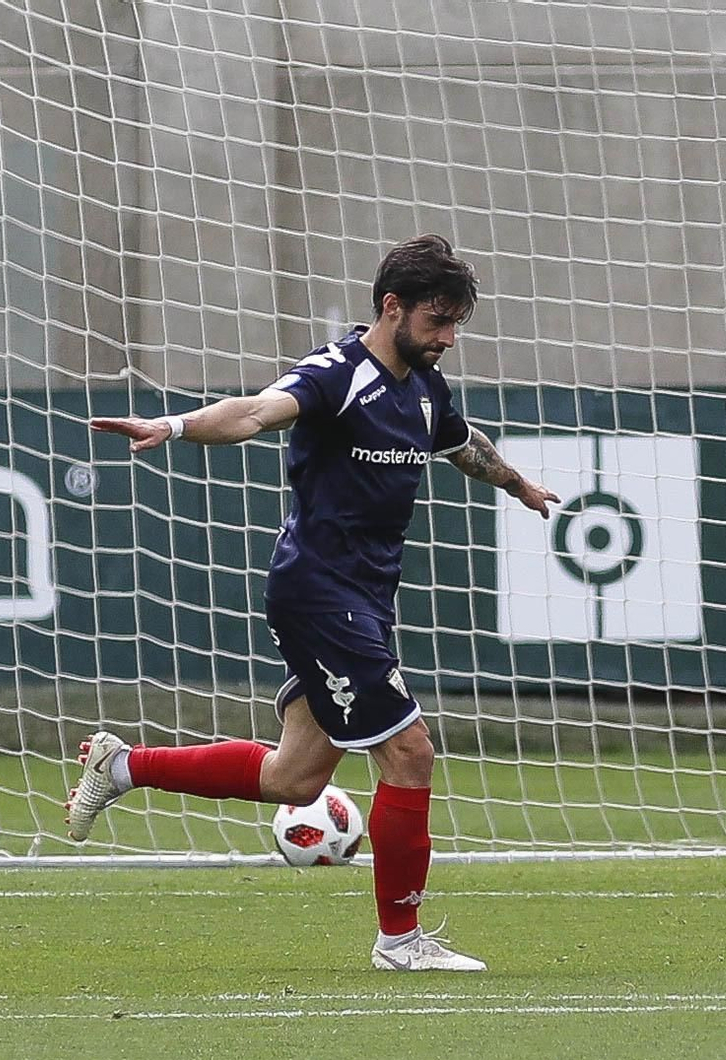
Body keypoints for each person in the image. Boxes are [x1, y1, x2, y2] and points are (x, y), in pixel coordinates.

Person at [70, 234, 558, 972]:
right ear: (391, 306)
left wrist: (516, 482)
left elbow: (461, 442)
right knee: (410, 751)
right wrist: (171, 426)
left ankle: (123, 766)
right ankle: (400, 943)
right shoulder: (337, 374)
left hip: (362, 596)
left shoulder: (425, 387)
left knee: (295, 777)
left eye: (456, 322)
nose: (448, 337)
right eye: (437, 320)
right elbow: (255, 412)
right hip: (321, 593)